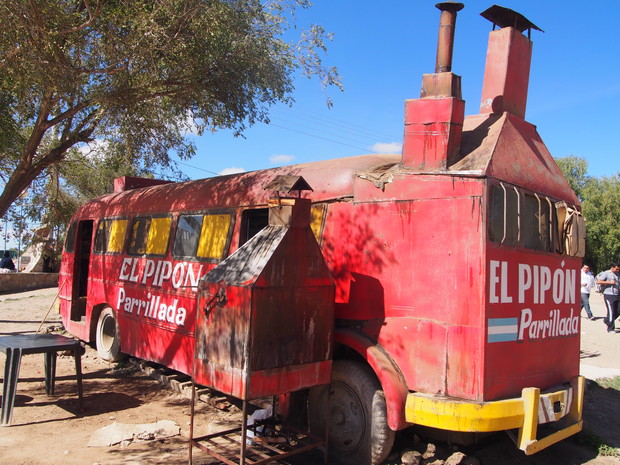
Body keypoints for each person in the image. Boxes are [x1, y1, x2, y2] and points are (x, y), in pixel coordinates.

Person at [596, 263, 620, 332]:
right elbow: (598, 281)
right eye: (616, 269)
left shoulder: (617, 274)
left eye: (618, 269)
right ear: (612, 267)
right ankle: (610, 328)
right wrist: (609, 282)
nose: (617, 270)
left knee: (618, 310)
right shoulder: (606, 273)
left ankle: (607, 320)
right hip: (609, 294)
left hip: (617, 294)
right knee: (611, 311)